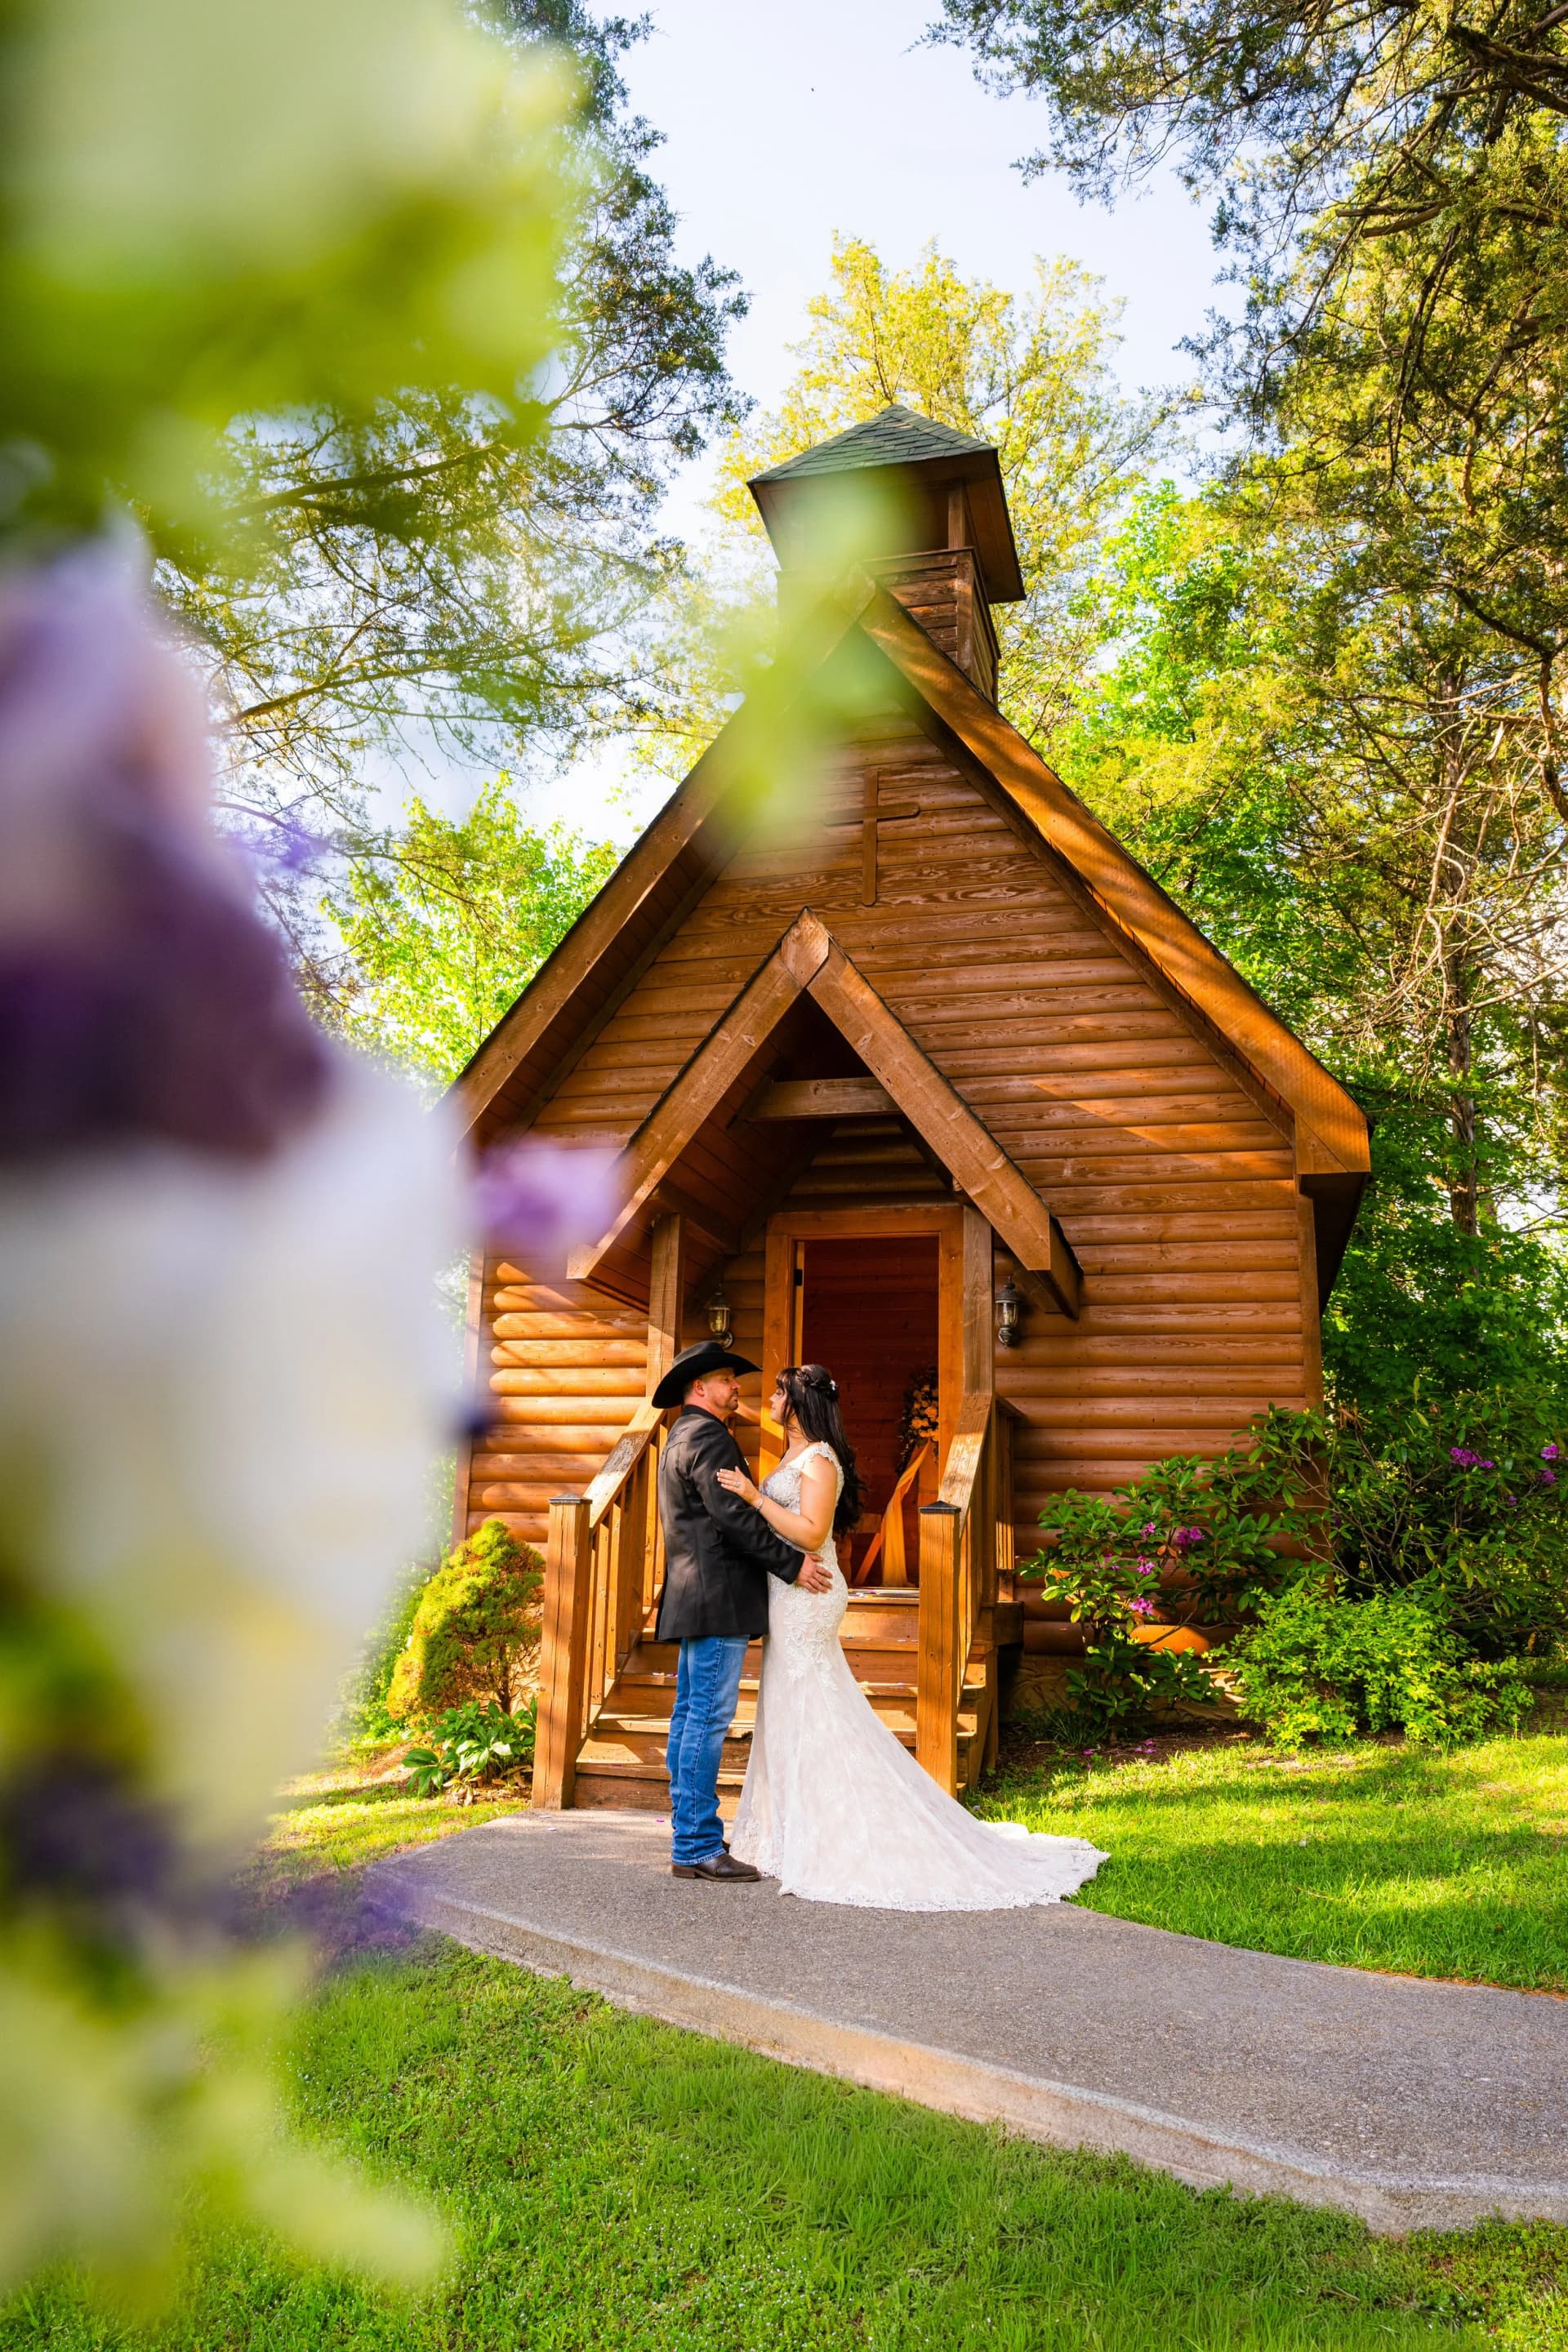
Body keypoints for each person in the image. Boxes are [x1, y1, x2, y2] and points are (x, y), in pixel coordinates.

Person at [716, 1363, 1107, 1910]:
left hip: (810, 1595)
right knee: (787, 1705)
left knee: (810, 1704)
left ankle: (832, 1831)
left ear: (801, 1403)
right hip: (786, 1593)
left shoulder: (820, 1459)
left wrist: (754, 1498)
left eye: (780, 1392)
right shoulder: (789, 1455)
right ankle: (789, 1827)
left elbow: (813, 1531)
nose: (771, 1400)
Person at [652, 1339, 834, 1882]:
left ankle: (691, 1835)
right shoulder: (709, 1438)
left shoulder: (681, 1435)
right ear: (700, 1387)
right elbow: (734, 1519)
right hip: (719, 1600)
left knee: (690, 1718)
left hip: (697, 1598)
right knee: (706, 1721)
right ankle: (697, 1846)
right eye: (728, 1379)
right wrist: (792, 1564)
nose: (738, 1388)